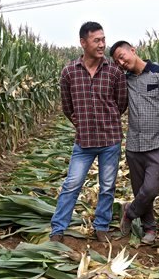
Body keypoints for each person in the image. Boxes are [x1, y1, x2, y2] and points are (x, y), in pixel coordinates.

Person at [50, 22, 128, 243]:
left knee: (107, 186)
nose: (102, 44)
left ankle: (101, 226)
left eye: (103, 39)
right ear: (83, 42)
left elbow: (121, 103)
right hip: (83, 141)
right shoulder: (69, 72)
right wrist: (83, 122)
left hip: (110, 139)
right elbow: (67, 106)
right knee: (71, 185)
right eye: (97, 40)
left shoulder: (114, 72)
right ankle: (58, 229)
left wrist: (107, 119)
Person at [109, 40, 159, 244]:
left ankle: (129, 213)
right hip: (133, 145)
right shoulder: (124, 80)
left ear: (133, 50)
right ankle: (150, 228)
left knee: (150, 189)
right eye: (117, 61)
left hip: (157, 144)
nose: (121, 62)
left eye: (122, 56)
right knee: (140, 190)